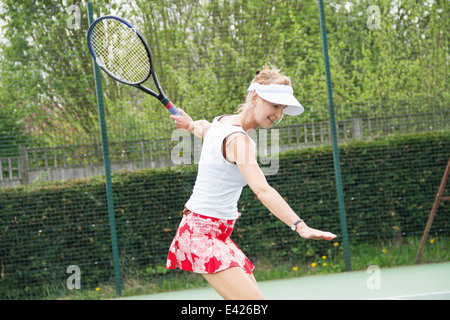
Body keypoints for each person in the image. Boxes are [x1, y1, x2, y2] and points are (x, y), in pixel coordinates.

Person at [166, 66, 336, 300]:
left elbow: (204, 128)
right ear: (254, 98)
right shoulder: (239, 141)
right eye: (274, 106)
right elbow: (262, 190)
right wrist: (300, 226)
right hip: (200, 233)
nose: (278, 115)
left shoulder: (222, 122)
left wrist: (190, 125)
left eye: (282, 108)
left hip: (215, 233)